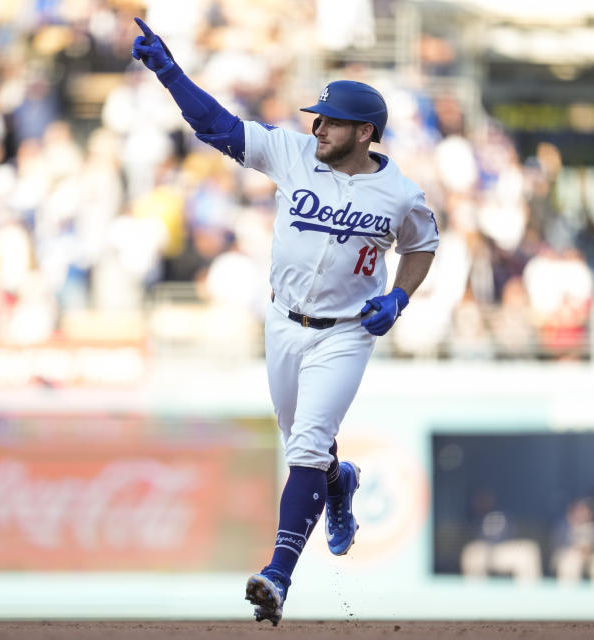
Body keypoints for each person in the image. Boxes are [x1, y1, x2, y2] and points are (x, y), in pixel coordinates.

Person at [131, 18, 438, 626]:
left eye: (330, 120)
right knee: (305, 442)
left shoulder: (399, 194)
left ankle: (277, 575)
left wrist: (398, 298)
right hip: (282, 321)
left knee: (304, 443)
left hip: (347, 331)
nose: (317, 126)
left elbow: (424, 245)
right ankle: (339, 480)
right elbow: (214, 126)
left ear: (365, 132)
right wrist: (168, 70)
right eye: (317, 118)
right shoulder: (294, 153)